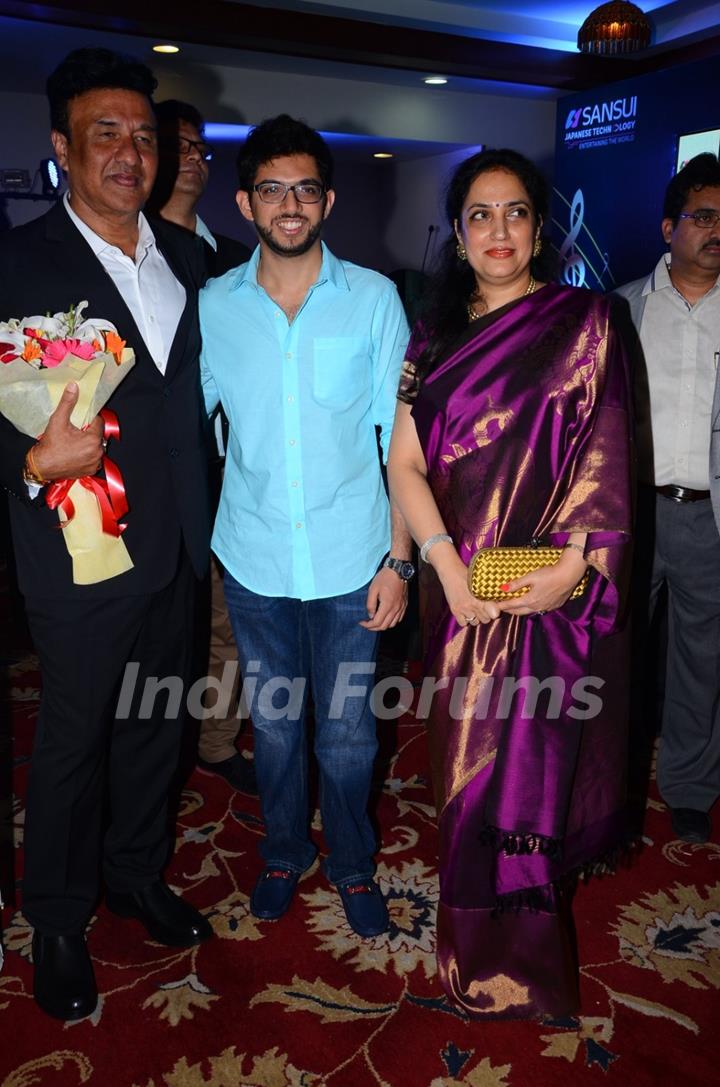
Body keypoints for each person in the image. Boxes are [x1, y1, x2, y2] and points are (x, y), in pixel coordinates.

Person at [387, 148, 633, 1018]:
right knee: (463, 773)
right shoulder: (433, 338)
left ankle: (522, 965)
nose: (499, 230)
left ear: (539, 226)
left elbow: (606, 454)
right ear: (457, 233)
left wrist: (572, 569)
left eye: (516, 211)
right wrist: (443, 566)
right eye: (480, 215)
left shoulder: (588, 322)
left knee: (532, 777)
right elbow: (405, 464)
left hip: (552, 597)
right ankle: (471, 956)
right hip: (461, 596)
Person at [0, 49, 213, 1022]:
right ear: (62, 148)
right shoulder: (17, 262)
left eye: (143, 136)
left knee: (158, 727)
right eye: (105, 135)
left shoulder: (195, 260)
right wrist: (34, 464)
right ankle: (54, 915)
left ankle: (133, 873)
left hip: (179, 548)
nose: (129, 154)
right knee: (74, 741)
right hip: (80, 551)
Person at [199, 115, 412, 937]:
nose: (290, 204)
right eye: (272, 190)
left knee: (350, 735)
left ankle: (353, 861)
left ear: (328, 199)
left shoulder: (372, 300)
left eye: (305, 189)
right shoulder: (216, 307)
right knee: (278, 730)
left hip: (353, 560)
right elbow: (189, 424)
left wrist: (400, 562)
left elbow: (402, 442)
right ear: (246, 203)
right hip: (252, 559)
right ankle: (286, 849)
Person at [151, 99, 257, 797]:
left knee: (228, 621)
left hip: (228, 470)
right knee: (160, 626)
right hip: (152, 477)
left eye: (200, 147)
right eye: (178, 144)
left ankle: (215, 741)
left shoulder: (235, 260)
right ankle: (155, 747)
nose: (193, 156)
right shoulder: (132, 251)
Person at [616, 153, 720, 845]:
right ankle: (605, 778)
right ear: (668, 227)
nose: (716, 230)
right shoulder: (622, 307)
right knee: (613, 650)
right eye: (703, 216)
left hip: (709, 519)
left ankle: (687, 785)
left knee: (701, 660)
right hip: (632, 512)